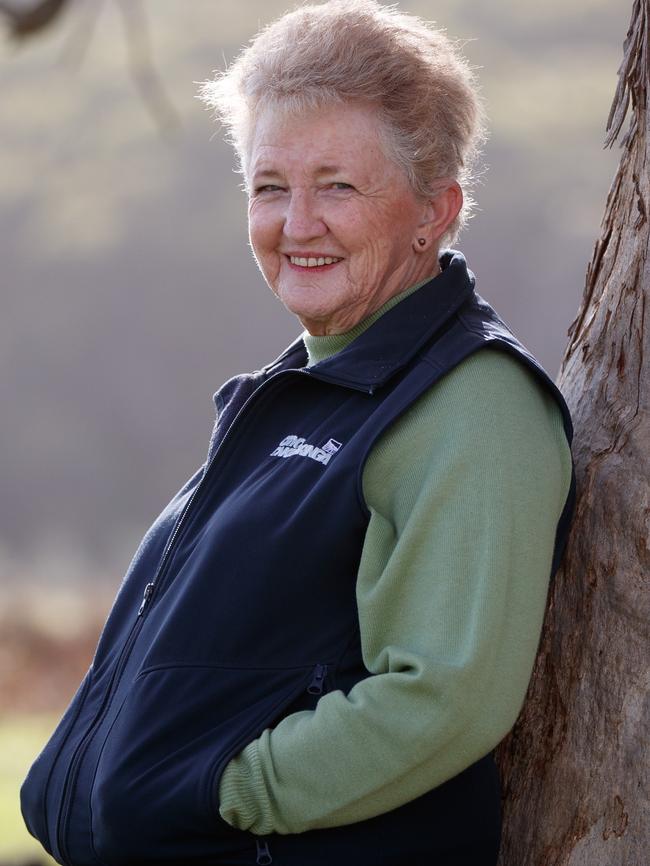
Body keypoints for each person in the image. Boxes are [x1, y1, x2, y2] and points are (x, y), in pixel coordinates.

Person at [21, 2, 575, 865]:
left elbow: (445, 698)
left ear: (435, 209)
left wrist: (223, 790)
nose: (298, 223)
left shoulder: (472, 405)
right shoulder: (304, 393)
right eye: (271, 187)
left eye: (339, 185)